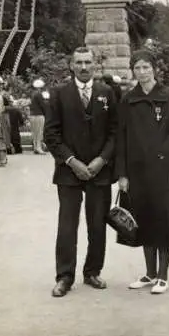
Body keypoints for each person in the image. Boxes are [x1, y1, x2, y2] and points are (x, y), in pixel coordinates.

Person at [116, 49, 169, 295]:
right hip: (138, 171)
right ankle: (149, 273)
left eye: (146, 67)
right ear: (133, 71)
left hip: (165, 170)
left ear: (154, 69)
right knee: (144, 220)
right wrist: (122, 174)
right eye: (137, 68)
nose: (141, 72)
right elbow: (121, 138)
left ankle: (163, 275)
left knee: (165, 221)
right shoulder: (128, 99)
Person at [44, 47, 117, 298]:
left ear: (94, 65)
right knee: (67, 226)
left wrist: (101, 160)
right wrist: (72, 161)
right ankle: (64, 276)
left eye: (88, 62)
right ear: (72, 65)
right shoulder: (59, 94)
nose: (84, 67)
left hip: (100, 171)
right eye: (79, 63)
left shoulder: (107, 93)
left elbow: (115, 132)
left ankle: (92, 272)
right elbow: (51, 135)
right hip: (69, 172)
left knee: (97, 225)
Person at [29, 79, 47, 155]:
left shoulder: (33, 94)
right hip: (39, 114)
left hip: (33, 115)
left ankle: (35, 147)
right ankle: (39, 148)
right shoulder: (39, 94)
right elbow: (43, 105)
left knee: (35, 132)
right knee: (39, 132)